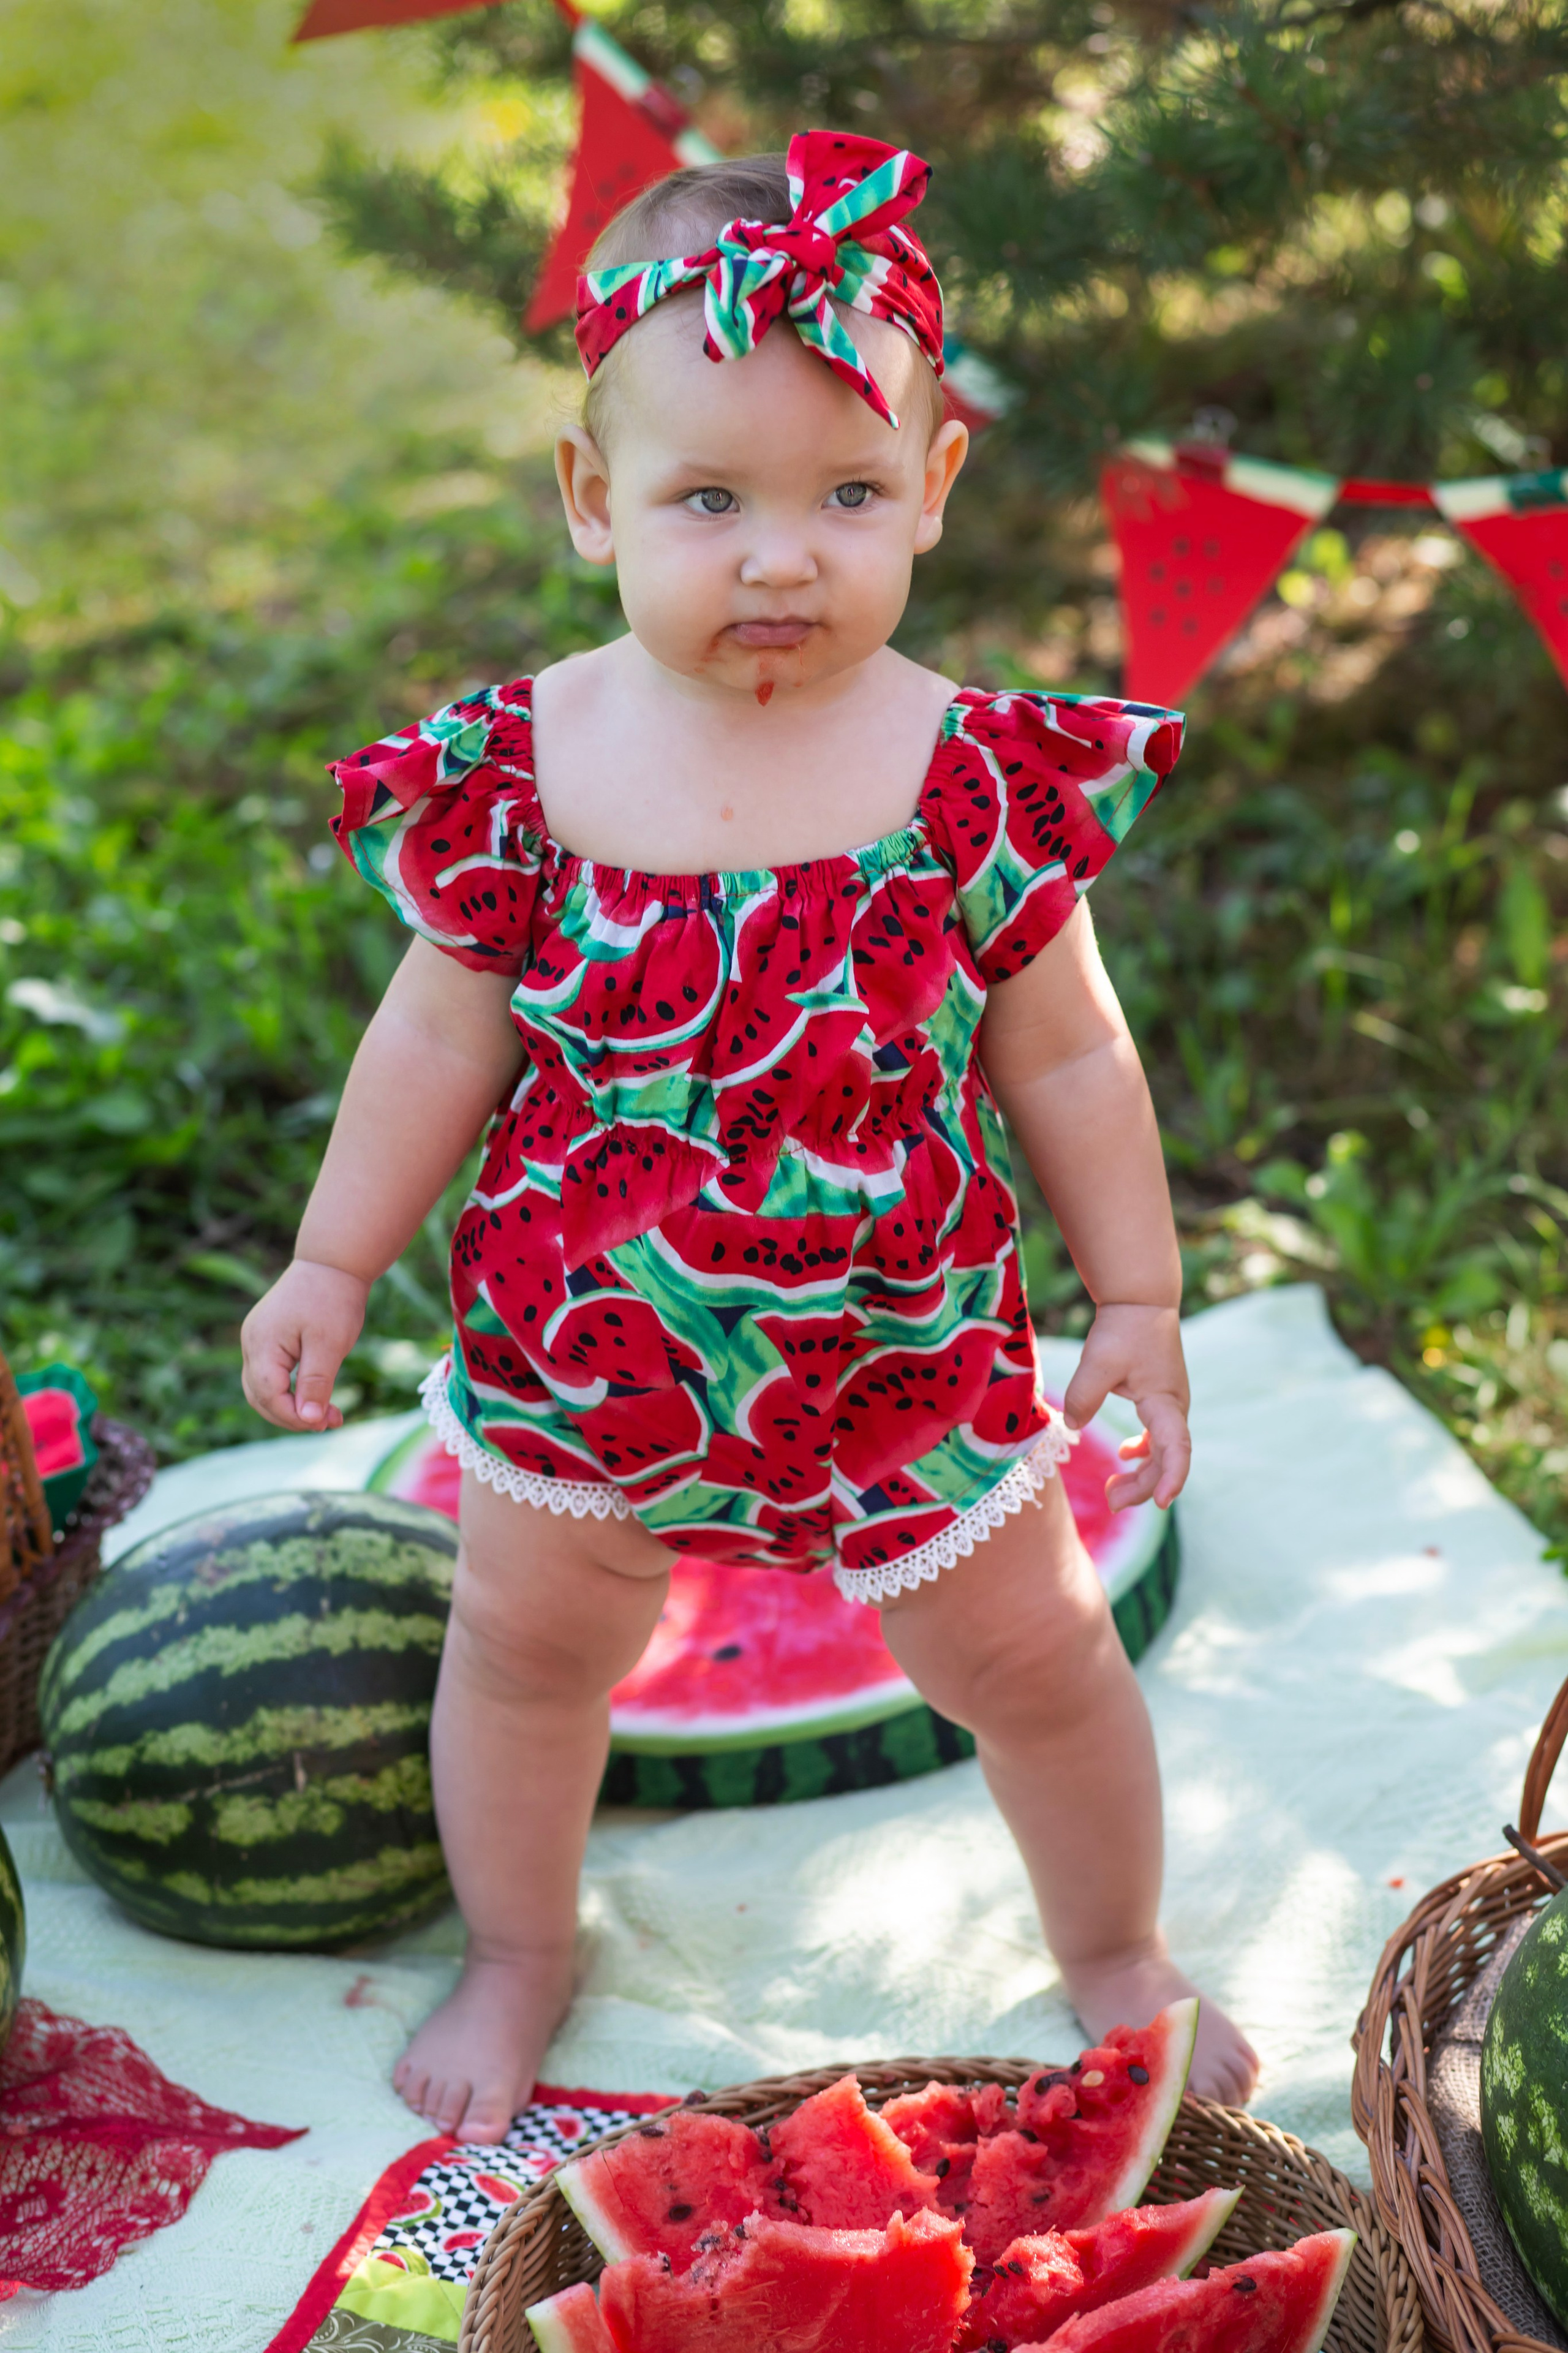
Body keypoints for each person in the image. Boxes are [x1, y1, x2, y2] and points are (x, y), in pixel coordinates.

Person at [241, 132, 1260, 2141]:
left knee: (1043, 1663)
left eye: (847, 494)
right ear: (591, 496)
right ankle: (519, 1947)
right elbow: (435, 1031)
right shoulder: (529, 767)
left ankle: (1116, 1950)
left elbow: (1069, 1059)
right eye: (709, 499)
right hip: (583, 1353)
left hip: (909, 1359)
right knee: (524, 1660)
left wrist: (1136, 1296)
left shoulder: (971, 775)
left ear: (936, 484)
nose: (781, 559)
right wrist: (332, 1256)